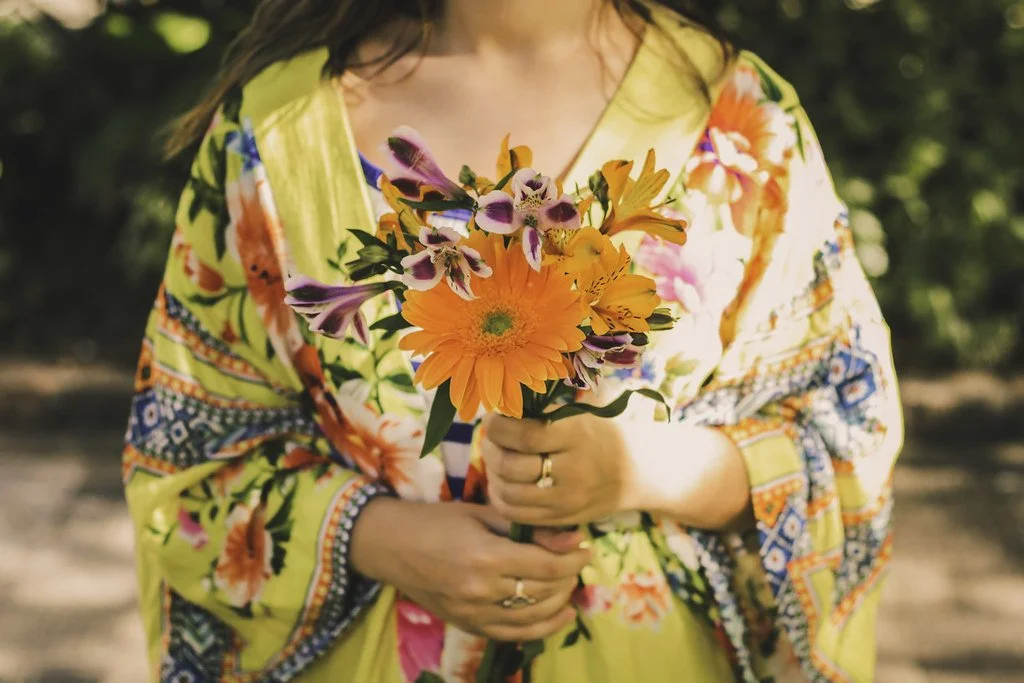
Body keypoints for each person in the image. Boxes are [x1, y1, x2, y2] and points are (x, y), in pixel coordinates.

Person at [123, 0, 904, 681]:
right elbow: (188, 451)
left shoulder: (742, 123)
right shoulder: (275, 129)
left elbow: (845, 435)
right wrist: (378, 537)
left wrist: (637, 467)